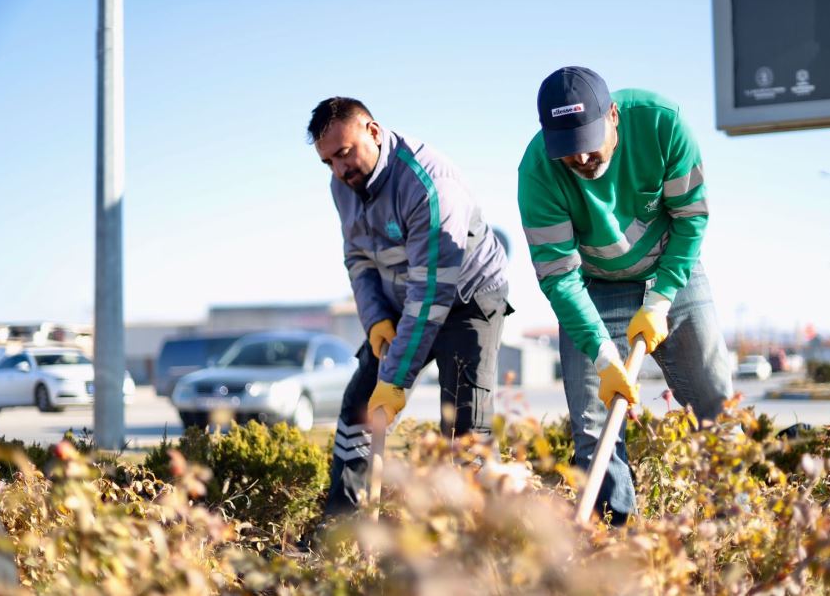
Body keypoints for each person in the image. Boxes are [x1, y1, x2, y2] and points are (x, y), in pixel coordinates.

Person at [517, 67, 733, 524]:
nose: (580, 158)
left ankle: (734, 530)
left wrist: (661, 299)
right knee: (593, 428)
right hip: (595, 287)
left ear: (614, 115)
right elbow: (558, 275)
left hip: (673, 270)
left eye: (589, 141)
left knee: (715, 405)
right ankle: (615, 547)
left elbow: (691, 217)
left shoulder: (662, 123)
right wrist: (600, 353)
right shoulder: (537, 171)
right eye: (567, 150)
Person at [308, 97, 511, 514]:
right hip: (405, 298)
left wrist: (396, 377)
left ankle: (480, 546)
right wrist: (376, 319)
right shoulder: (342, 186)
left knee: (464, 428)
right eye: (328, 162)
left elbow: (433, 291)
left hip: (466, 297)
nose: (339, 170)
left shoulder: (428, 184)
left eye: (344, 153)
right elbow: (359, 258)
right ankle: (342, 527)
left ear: (374, 132)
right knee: (360, 404)